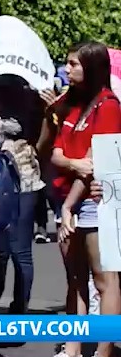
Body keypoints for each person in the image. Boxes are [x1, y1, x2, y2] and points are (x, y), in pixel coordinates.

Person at [50, 42, 121, 357]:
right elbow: (56, 154)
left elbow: (95, 163)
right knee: (75, 279)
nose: (67, 69)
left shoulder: (108, 106)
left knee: (105, 279)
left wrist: (69, 204)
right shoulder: (73, 105)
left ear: (91, 67)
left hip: (96, 200)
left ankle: (104, 350)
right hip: (67, 198)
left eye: (74, 64)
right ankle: (73, 348)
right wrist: (71, 164)